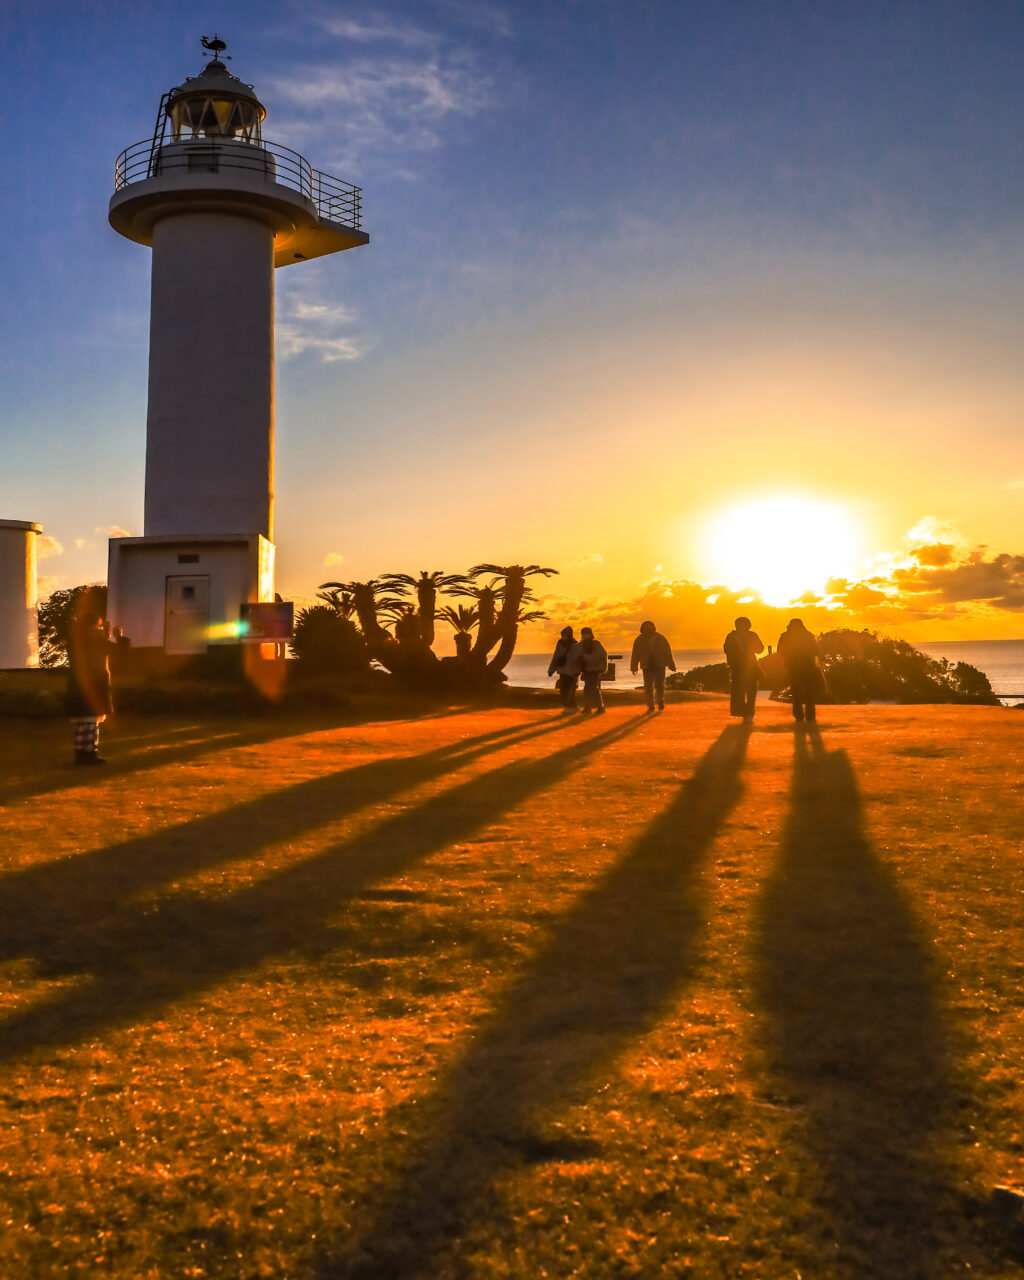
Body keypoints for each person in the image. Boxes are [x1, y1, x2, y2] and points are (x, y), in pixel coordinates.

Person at [66, 601, 120, 764]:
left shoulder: (75, 641)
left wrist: (103, 635)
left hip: (77, 684)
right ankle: (89, 754)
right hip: (95, 685)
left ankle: (80, 753)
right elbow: (119, 651)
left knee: (82, 723)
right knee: (91, 722)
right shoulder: (96, 641)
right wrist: (118, 637)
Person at [777, 617, 822, 723]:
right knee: (809, 693)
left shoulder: (785, 636)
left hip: (793, 668)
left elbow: (781, 651)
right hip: (808, 667)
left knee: (796, 693)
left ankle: (798, 716)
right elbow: (817, 650)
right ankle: (810, 716)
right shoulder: (808, 635)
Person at [630, 619, 676, 712]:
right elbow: (635, 654)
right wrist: (634, 666)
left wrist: (671, 664)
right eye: (646, 626)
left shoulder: (660, 638)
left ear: (653, 627)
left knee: (660, 684)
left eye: (650, 626)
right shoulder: (639, 640)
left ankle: (660, 700)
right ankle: (650, 705)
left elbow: (667, 652)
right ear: (642, 628)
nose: (648, 628)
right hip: (646, 665)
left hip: (659, 664)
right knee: (648, 686)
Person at [723, 616, 764, 720]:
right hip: (743, 667)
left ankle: (745, 713)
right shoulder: (736, 636)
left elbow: (760, 649)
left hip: (744, 668)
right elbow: (760, 649)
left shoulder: (737, 636)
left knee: (745, 693)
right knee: (745, 693)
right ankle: (746, 713)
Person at [572, 626, 608, 715]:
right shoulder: (581, 645)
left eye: (586, 633)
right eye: (583, 633)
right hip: (586, 670)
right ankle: (590, 706)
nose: (585, 635)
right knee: (588, 688)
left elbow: (602, 655)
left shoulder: (596, 644)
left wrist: (586, 658)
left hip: (595, 669)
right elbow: (576, 656)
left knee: (591, 688)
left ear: (591, 634)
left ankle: (598, 706)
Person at [547, 626, 581, 712]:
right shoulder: (560, 644)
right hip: (562, 671)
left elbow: (577, 659)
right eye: (563, 635)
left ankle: (572, 706)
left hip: (572, 672)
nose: (564, 637)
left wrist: (578, 671)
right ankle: (568, 706)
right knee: (564, 690)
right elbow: (556, 657)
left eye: (565, 635)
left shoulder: (575, 645)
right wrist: (551, 670)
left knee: (570, 690)